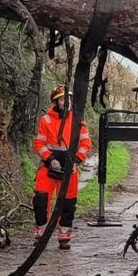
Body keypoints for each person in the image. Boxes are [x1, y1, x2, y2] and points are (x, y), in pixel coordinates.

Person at [32, 85, 91, 249]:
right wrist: (50, 159)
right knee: (41, 199)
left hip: (70, 166)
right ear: (55, 101)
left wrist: (76, 161)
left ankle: (64, 235)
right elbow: (39, 143)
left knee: (68, 203)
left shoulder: (78, 120)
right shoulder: (46, 120)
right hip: (49, 165)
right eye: (63, 99)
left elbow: (85, 143)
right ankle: (41, 234)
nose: (66, 102)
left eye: (68, 99)